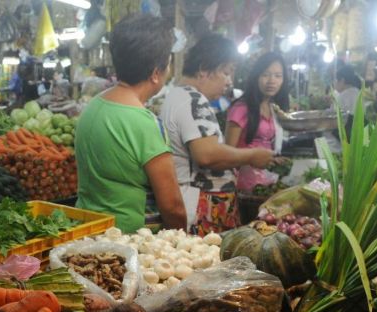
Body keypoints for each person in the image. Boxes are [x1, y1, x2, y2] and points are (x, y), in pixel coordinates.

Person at [74, 13, 186, 233]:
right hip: (130, 241)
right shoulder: (145, 124)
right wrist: (181, 240)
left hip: (87, 233)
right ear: (156, 73)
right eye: (169, 63)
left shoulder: (93, 107)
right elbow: (172, 207)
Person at [160, 33, 275, 231]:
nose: (229, 81)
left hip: (195, 204)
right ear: (204, 69)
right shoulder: (192, 100)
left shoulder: (177, 96)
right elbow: (207, 154)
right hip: (202, 209)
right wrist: (252, 155)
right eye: (226, 72)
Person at [224, 52, 290, 192]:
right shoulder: (240, 108)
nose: (272, 81)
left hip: (268, 184)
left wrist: (274, 160)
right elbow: (227, 153)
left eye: (278, 76)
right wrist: (251, 158)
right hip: (244, 187)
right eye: (266, 74)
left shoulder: (273, 108)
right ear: (256, 77)